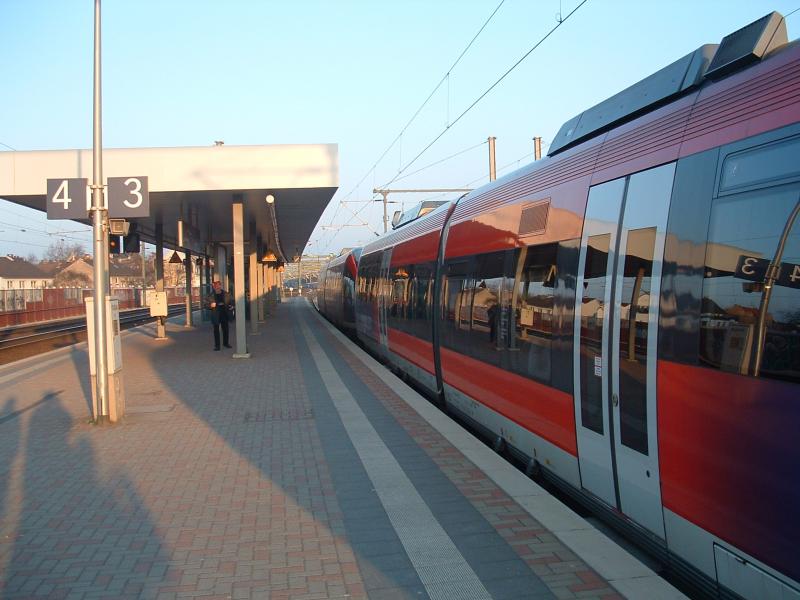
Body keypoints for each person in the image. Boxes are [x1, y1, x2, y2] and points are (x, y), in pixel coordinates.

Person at [206, 278, 233, 351]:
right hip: (216, 314)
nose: (217, 287)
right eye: (216, 286)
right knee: (216, 331)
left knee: (226, 329)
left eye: (218, 286)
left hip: (224, 313)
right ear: (214, 287)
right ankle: (217, 346)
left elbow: (231, 302)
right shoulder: (210, 295)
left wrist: (231, 306)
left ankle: (226, 343)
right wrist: (211, 305)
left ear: (220, 286)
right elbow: (206, 305)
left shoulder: (226, 294)